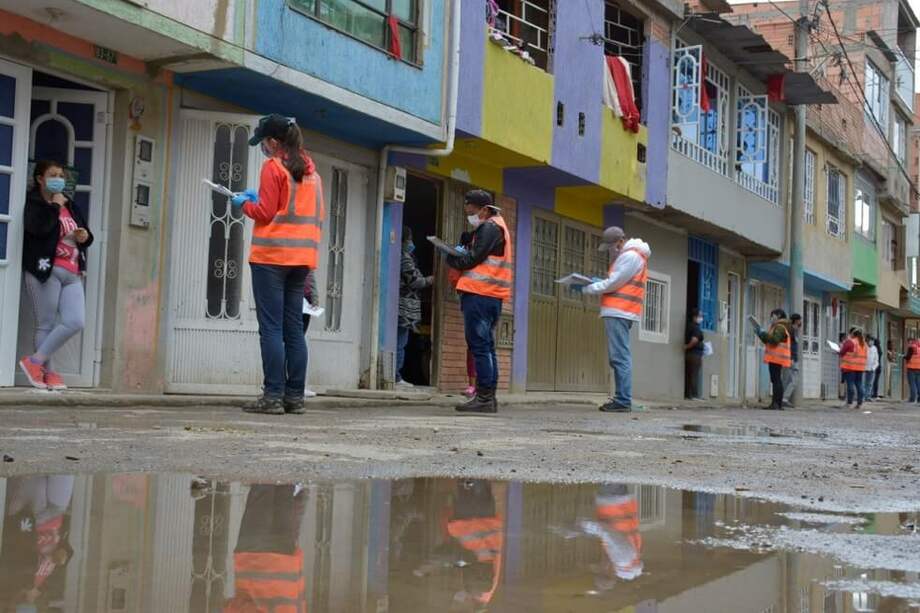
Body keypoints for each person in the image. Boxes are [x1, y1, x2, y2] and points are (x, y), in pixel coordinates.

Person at [232, 114, 324, 415]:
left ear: (273, 142)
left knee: (270, 328)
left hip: (272, 258)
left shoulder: (273, 167)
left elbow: (265, 211)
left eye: (264, 143)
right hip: (302, 261)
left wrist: (243, 202)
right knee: (293, 329)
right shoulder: (312, 172)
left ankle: (272, 396)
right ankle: (294, 397)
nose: (264, 149)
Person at [18, 160, 93, 391]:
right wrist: (53, 207)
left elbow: (86, 237)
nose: (58, 178)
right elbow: (36, 229)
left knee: (75, 321)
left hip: (72, 272)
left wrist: (84, 236)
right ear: (40, 178)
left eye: (61, 175)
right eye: (53, 174)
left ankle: (34, 362)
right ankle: (47, 373)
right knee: (46, 324)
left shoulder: (69, 205)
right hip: (46, 269)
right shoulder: (35, 203)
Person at [446, 190, 513, 413]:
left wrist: (452, 256)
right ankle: (488, 397)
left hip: (480, 294)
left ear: (484, 209)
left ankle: (484, 398)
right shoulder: (497, 226)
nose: (469, 214)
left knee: (480, 347)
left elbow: (473, 259)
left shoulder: (490, 227)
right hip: (490, 295)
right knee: (486, 347)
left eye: (471, 210)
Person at [583, 227, 652, 413]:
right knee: (620, 356)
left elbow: (615, 282)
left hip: (619, 311)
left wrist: (591, 288)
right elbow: (618, 281)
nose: (611, 250)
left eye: (612, 246)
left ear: (620, 242)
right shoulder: (634, 255)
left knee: (619, 357)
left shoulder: (630, 256)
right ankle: (622, 398)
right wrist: (598, 282)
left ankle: (622, 400)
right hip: (622, 311)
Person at [223, 484, 306, 613]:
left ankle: (285, 466)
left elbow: (300, 600)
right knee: (261, 493)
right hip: (254, 560)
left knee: (283, 494)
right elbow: (239, 607)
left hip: (286, 560)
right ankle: (268, 465)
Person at [397, 226, 434, 388]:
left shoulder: (400, 255)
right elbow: (415, 281)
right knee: (400, 342)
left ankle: (396, 375)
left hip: (403, 305)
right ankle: (396, 377)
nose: (411, 242)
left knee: (401, 341)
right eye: (409, 239)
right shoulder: (404, 257)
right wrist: (431, 280)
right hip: (405, 306)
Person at [755, 309, 791, 411]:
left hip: (776, 358)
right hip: (777, 358)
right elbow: (769, 340)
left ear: (778, 315)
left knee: (776, 380)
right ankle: (777, 404)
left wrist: (763, 333)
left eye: (773, 315)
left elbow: (774, 340)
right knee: (776, 380)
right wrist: (760, 334)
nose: (771, 318)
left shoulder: (780, 327)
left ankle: (776, 404)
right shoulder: (779, 326)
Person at [838, 327, 867, 409]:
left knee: (850, 385)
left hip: (850, 367)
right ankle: (859, 403)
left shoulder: (850, 342)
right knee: (859, 385)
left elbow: (842, 352)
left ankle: (849, 402)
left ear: (852, 334)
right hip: (860, 368)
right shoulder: (864, 344)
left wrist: (838, 351)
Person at [301, 268, 319, 398]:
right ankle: (296, 386)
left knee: (292, 342)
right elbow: (310, 278)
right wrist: (314, 298)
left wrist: (314, 298)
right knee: (297, 343)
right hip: (302, 299)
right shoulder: (305, 251)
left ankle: (279, 384)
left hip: (302, 300)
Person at [684, 308, 705, 400]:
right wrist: (688, 346)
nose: (701, 318)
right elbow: (694, 340)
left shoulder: (690, 326)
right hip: (694, 354)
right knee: (694, 375)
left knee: (690, 374)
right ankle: (693, 395)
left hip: (691, 354)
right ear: (694, 317)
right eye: (699, 316)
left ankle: (690, 394)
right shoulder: (695, 327)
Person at [781, 313, 802, 407]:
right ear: (796, 320)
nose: (800, 323)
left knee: (790, 380)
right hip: (792, 358)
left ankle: (783, 398)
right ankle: (784, 398)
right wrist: (792, 358)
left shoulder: (794, 331)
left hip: (792, 358)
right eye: (799, 320)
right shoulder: (791, 331)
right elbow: (791, 346)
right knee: (793, 380)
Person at [864, 335, 879, 403]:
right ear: (867, 340)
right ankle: (862, 396)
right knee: (863, 383)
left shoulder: (874, 348)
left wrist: (874, 367)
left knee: (869, 383)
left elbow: (876, 359)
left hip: (872, 369)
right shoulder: (864, 347)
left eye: (872, 341)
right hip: (863, 368)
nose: (871, 342)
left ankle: (867, 396)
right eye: (870, 341)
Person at [904, 337, 920, 404]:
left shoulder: (911, 348)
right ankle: (919, 399)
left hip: (911, 368)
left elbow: (908, 357)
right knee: (918, 384)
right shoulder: (919, 348)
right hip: (919, 368)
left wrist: (903, 356)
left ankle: (912, 398)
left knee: (912, 384)